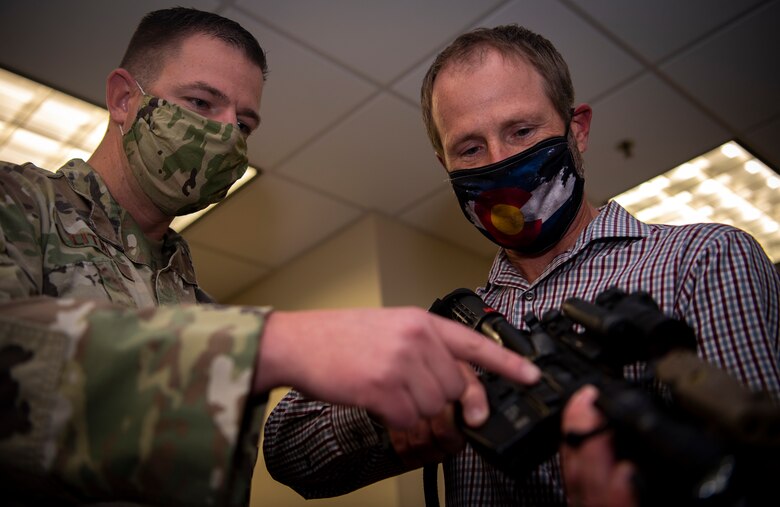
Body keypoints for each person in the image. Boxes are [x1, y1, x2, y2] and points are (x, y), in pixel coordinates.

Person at [0, 10, 543, 506]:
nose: (224, 135)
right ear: (124, 99)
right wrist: (273, 342)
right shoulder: (18, 207)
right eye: (201, 103)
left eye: (244, 125)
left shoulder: (196, 305)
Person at [262, 24, 780, 506]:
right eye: (469, 147)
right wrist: (416, 396)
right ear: (445, 165)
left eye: (521, 132)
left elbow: (757, 459)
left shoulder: (703, 258)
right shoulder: (453, 330)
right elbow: (292, 453)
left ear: (577, 130)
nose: (496, 161)